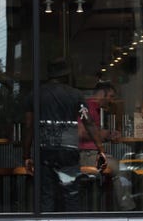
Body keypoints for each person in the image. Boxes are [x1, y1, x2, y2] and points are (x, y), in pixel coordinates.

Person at [22, 57, 105, 212]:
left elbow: (29, 127)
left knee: (46, 196)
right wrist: (101, 149)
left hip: (44, 150)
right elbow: (88, 122)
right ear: (66, 75)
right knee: (71, 195)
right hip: (68, 151)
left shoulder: (35, 94)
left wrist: (26, 155)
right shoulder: (76, 95)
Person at [77, 81, 134, 210]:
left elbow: (94, 134)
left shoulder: (93, 108)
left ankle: (113, 208)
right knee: (121, 168)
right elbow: (80, 132)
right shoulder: (87, 107)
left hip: (92, 155)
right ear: (102, 93)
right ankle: (128, 210)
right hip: (87, 156)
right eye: (111, 96)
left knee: (119, 167)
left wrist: (107, 135)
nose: (112, 100)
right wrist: (104, 133)